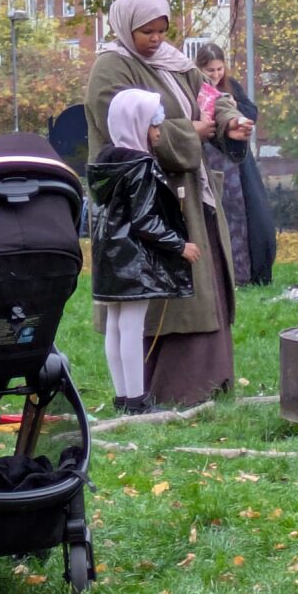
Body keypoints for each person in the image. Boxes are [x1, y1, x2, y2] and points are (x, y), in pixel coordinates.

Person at [85, 0, 253, 408]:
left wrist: (229, 122)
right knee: (152, 295)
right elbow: (120, 127)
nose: (156, 39)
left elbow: (211, 98)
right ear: (125, 27)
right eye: (146, 32)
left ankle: (207, 381)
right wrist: (188, 132)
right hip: (144, 197)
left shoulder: (174, 63)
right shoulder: (111, 67)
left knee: (202, 285)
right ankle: (157, 388)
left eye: (161, 30)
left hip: (190, 194)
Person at [87, 89, 201, 415]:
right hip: (134, 260)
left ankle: (123, 396)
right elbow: (146, 220)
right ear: (138, 123)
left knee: (116, 324)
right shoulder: (142, 166)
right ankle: (137, 400)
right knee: (132, 327)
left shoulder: (104, 165)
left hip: (109, 259)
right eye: (154, 125)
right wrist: (180, 245)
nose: (158, 132)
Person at [194, 42, 276, 285]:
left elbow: (251, 112)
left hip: (235, 162)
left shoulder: (232, 87)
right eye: (210, 70)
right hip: (209, 158)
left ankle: (244, 272)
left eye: (219, 69)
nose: (216, 75)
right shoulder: (192, 89)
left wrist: (235, 108)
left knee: (242, 214)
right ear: (200, 69)